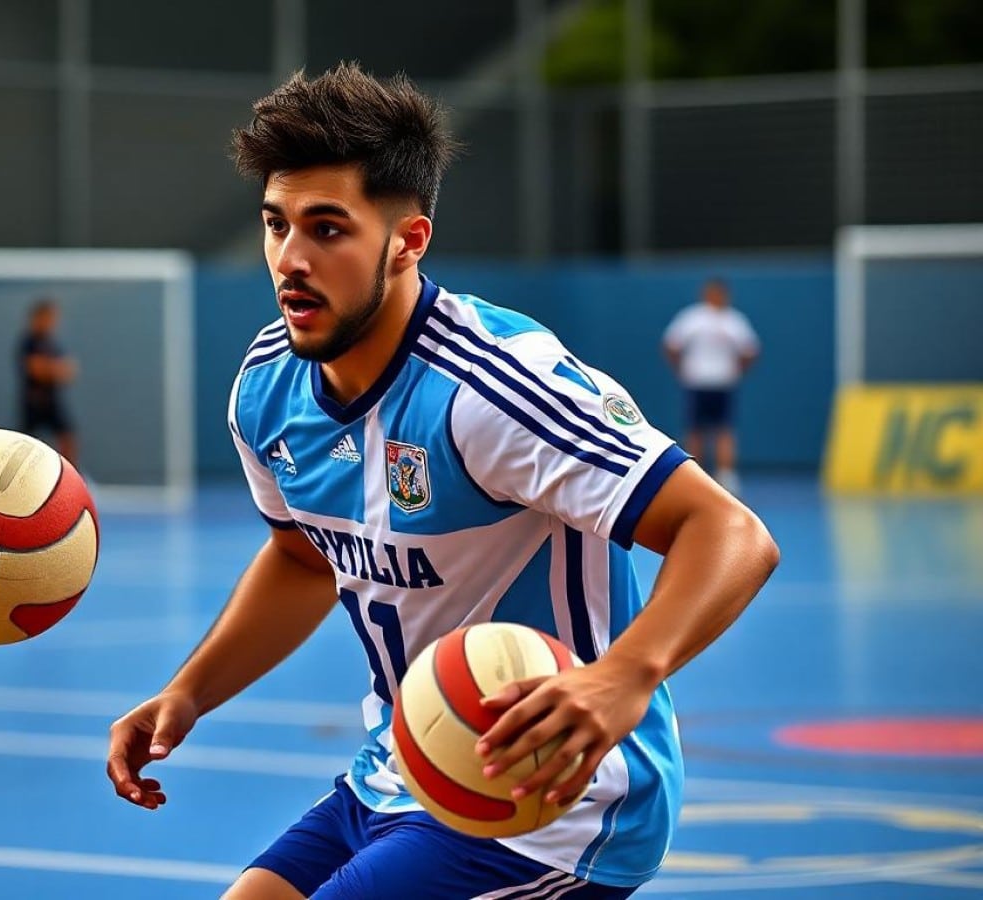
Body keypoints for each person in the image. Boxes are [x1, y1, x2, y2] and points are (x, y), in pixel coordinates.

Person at [106, 63, 779, 899]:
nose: (291, 259)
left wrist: (623, 676)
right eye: (277, 225)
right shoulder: (267, 384)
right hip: (404, 765)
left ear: (408, 241)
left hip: (548, 800)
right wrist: (188, 692)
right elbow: (305, 559)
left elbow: (731, 532)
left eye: (327, 229)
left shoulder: (492, 387)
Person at [661, 279, 760, 495]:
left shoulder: (732, 321)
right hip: (698, 382)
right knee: (696, 430)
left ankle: (725, 476)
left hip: (720, 383)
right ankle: (696, 474)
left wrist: (736, 370)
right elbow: (671, 345)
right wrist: (682, 369)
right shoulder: (695, 318)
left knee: (722, 430)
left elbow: (750, 351)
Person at [17, 297, 78, 466]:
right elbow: (35, 369)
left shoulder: (50, 343)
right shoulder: (29, 342)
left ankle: (70, 471)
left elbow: (69, 371)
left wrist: (53, 369)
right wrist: (56, 369)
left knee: (67, 436)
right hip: (34, 402)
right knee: (25, 444)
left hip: (52, 401)